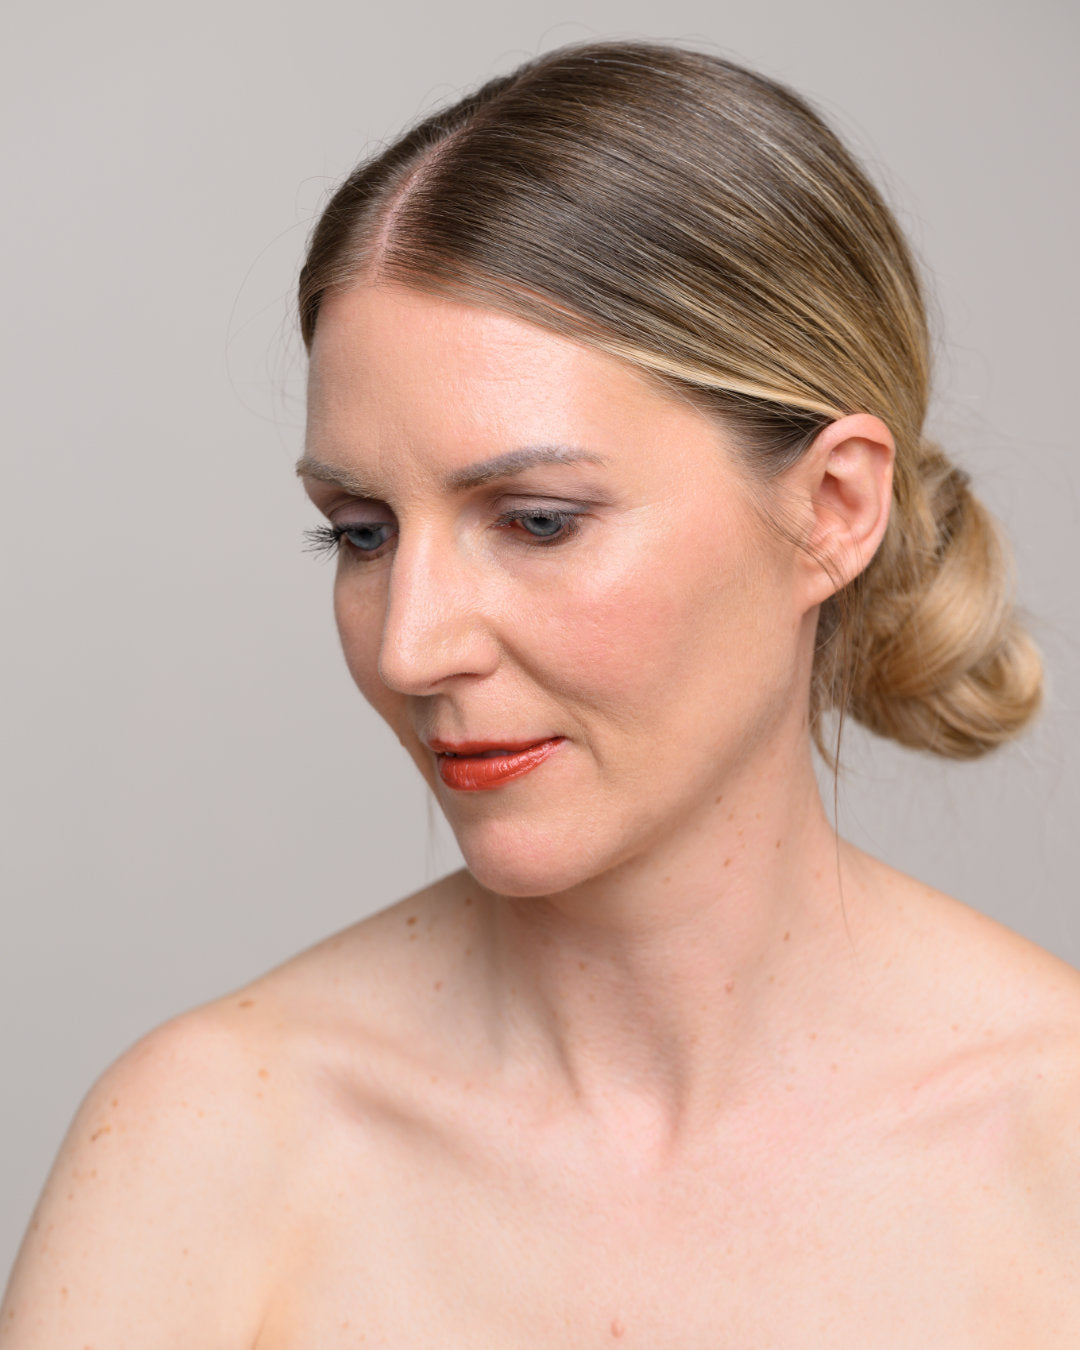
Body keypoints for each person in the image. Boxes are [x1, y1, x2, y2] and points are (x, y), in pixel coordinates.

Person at [3, 39, 1077, 1346]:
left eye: (538, 520)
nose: (410, 649)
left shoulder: (1055, 1147)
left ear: (833, 510)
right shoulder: (207, 1148)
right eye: (360, 532)